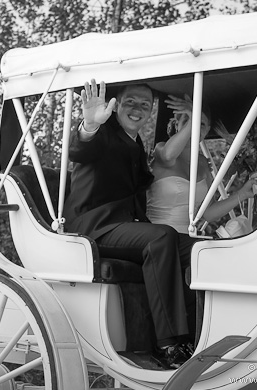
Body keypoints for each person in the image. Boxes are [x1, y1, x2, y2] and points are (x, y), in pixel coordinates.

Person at [64, 79, 193, 369]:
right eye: (131, 102)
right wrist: (89, 125)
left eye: (145, 105)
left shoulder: (135, 144)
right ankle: (168, 345)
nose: (138, 109)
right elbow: (80, 150)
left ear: (150, 112)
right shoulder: (104, 133)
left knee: (198, 250)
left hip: (124, 225)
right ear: (117, 105)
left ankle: (197, 336)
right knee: (161, 238)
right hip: (95, 227)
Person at [147, 94, 257, 233]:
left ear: (207, 130)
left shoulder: (204, 163)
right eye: (187, 120)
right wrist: (193, 116)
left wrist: (241, 194)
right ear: (177, 125)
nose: (194, 128)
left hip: (188, 238)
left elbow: (208, 213)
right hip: (157, 235)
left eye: (200, 124)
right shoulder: (161, 149)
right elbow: (168, 155)